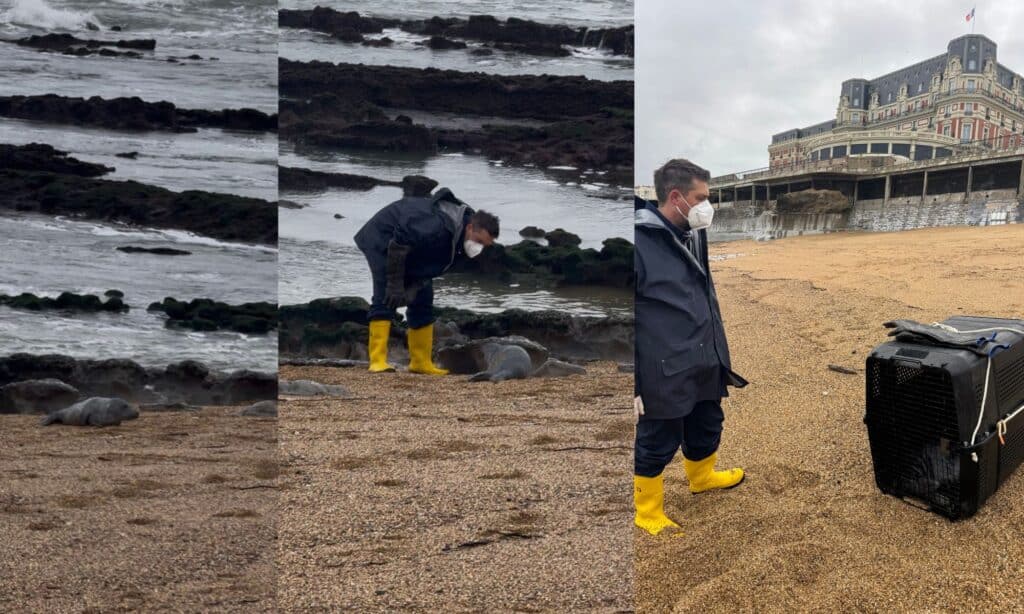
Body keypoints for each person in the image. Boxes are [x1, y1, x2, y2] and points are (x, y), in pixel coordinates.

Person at [633, 158, 749, 536]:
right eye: (701, 198)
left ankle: (702, 477)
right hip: (661, 362)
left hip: (703, 351)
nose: (707, 206)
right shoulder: (639, 240)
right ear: (676, 196)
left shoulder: (693, 230)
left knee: (707, 420)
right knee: (659, 436)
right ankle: (647, 510)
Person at [354, 187, 499, 375]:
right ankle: (378, 361)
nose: (479, 247)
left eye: (484, 245)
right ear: (470, 227)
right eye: (478, 241)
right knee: (386, 296)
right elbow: (398, 247)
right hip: (384, 239)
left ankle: (420, 362)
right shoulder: (433, 226)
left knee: (423, 298)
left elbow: (433, 265)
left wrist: (416, 286)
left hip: (414, 249)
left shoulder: (460, 239)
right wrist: (396, 285)